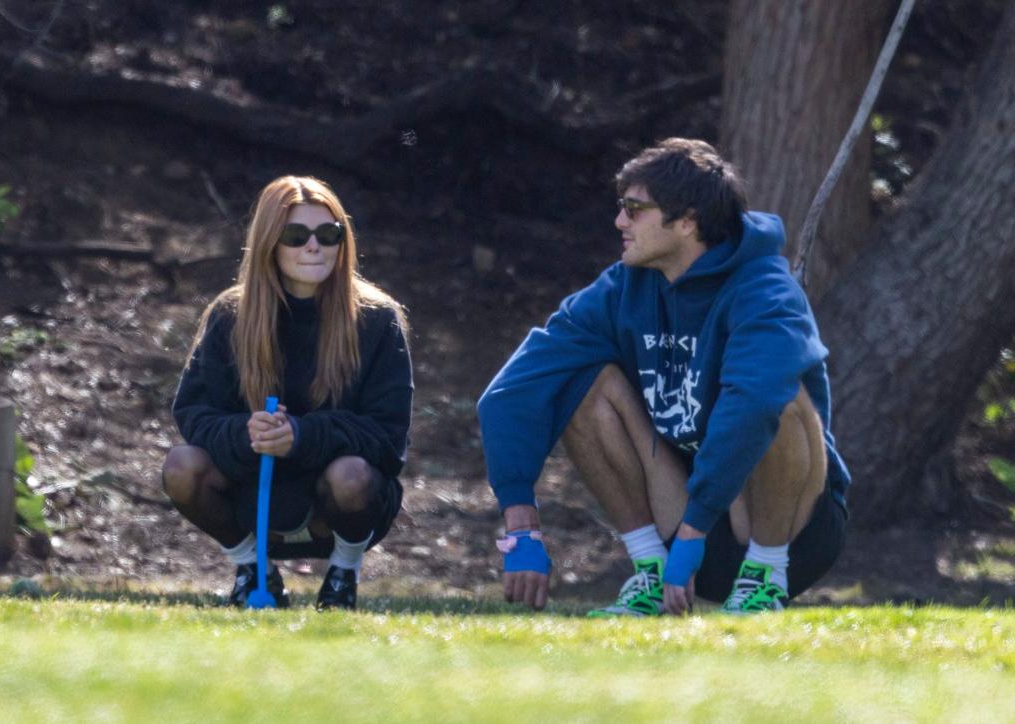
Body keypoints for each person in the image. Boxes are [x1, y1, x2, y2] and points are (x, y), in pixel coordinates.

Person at [478, 138, 849, 616]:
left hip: (792, 532)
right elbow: (512, 392)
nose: (619, 223)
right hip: (687, 527)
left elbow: (754, 402)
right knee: (580, 383)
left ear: (687, 221)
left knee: (777, 395)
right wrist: (521, 523)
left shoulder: (765, 289)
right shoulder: (620, 289)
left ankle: (762, 580)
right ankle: (650, 572)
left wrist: (695, 529)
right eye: (621, 207)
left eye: (635, 209)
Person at [163, 176, 412, 611]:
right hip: (252, 497)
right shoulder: (229, 315)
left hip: (339, 505)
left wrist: (301, 436)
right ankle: (251, 569)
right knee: (181, 467)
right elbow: (194, 412)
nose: (313, 247)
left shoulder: (378, 320)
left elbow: (388, 440)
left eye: (328, 234)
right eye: (296, 236)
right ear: (269, 244)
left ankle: (343, 573)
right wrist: (246, 433)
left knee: (352, 475)